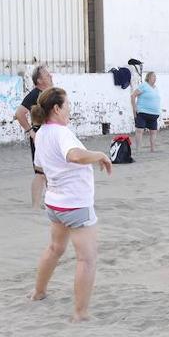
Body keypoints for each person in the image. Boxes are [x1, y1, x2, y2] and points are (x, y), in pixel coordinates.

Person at [28, 87, 112, 322]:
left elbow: (41, 166)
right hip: (75, 204)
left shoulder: (41, 133)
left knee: (55, 249)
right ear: (56, 108)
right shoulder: (61, 132)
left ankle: (38, 292)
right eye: (67, 106)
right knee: (87, 259)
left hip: (54, 204)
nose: (70, 110)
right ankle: (80, 313)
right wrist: (99, 155)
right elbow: (74, 156)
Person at [15, 65, 53, 208]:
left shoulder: (51, 93)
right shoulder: (34, 94)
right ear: (39, 80)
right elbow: (19, 113)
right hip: (40, 137)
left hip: (52, 136)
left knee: (52, 171)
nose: (51, 76)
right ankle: (36, 206)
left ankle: (52, 202)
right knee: (40, 172)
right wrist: (30, 131)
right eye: (47, 75)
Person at [131, 71, 162, 152]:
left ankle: (152, 149)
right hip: (142, 112)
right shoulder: (144, 85)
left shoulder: (155, 88)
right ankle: (138, 149)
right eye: (153, 76)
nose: (155, 78)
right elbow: (133, 95)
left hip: (154, 114)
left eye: (155, 77)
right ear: (148, 77)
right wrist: (134, 108)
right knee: (139, 130)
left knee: (153, 132)